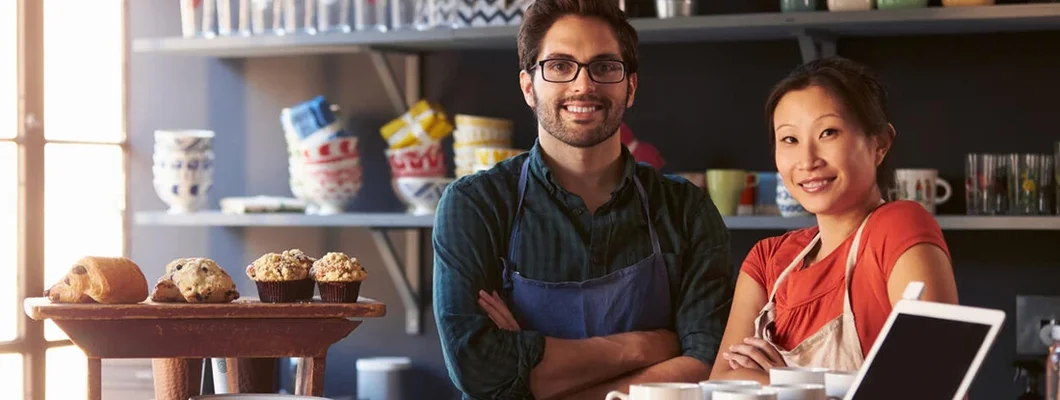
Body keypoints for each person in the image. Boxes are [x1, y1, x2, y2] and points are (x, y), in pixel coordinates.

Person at [431, 0, 734, 398]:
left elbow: (706, 366)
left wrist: (534, 374)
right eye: (559, 66)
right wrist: (646, 346)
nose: (583, 85)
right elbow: (478, 370)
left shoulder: (686, 211)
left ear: (631, 86)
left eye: (605, 67)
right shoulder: (475, 206)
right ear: (528, 86)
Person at [708, 57, 960, 383]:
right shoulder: (767, 260)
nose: (807, 160)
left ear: (879, 144)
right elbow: (718, 386)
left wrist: (787, 384)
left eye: (828, 133)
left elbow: (931, 385)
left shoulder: (899, 226)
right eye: (789, 139)